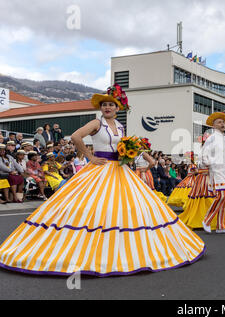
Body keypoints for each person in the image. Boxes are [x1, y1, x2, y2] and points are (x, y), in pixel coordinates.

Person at [0, 84, 204, 277]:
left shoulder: (121, 126)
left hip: (120, 170)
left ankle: (123, 251)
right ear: (101, 107)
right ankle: (93, 251)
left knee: (125, 208)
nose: (107, 107)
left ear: (117, 108)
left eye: (111, 104)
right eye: (104, 104)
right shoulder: (97, 123)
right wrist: (89, 157)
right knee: (95, 208)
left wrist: (130, 156)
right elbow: (77, 137)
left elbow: (124, 148)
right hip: (100, 169)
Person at [179, 131, 225, 231]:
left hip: (208, 177)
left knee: (215, 197)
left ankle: (214, 221)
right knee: (211, 197)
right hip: (205, 178)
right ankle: (207, 221)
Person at [201, 112, 225, 234]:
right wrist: (210, 163)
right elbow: (203, 153)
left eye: (223, 122)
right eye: (219, 122)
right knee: (221, 196)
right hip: (217, 170)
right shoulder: (211, 138)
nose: (222, 124)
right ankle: (206, 220)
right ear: (214, 125)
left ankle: (222, 226)